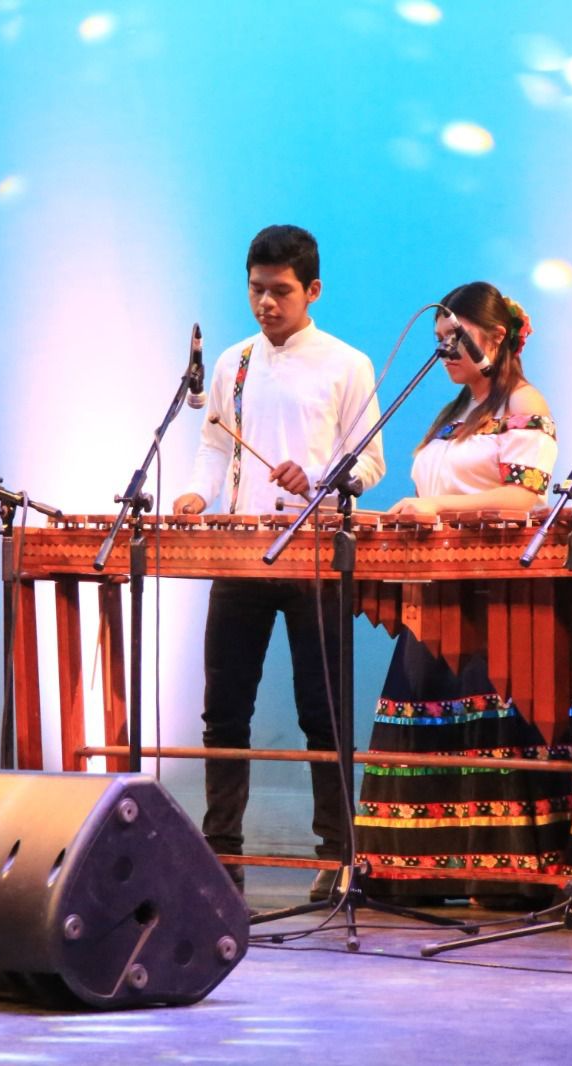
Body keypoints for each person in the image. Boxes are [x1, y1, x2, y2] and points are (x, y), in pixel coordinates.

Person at [173, 225, 385, 899]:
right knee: (223, 709)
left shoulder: (347, 364)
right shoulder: (233, 362)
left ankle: (336, 857)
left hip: (312, 554)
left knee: (320, 710)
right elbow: (215, 449)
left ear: (312, 290)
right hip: (240, 552)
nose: (266, 304)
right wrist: (196, 493)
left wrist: (319, 478)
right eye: (256, 290)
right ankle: (221, 854)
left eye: (281, 292)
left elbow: (370, 466)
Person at [354, 281, 570, 905]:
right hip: (437, 589)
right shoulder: (453, 412)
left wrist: (438, 507)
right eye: (439, 339)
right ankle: (418, 871)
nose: (445, 349)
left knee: (489, 726)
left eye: (457, 337)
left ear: (497, 337)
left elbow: (528, 495)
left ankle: (501, 875)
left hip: (494, 596)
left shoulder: (526, 404)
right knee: (423, 719)